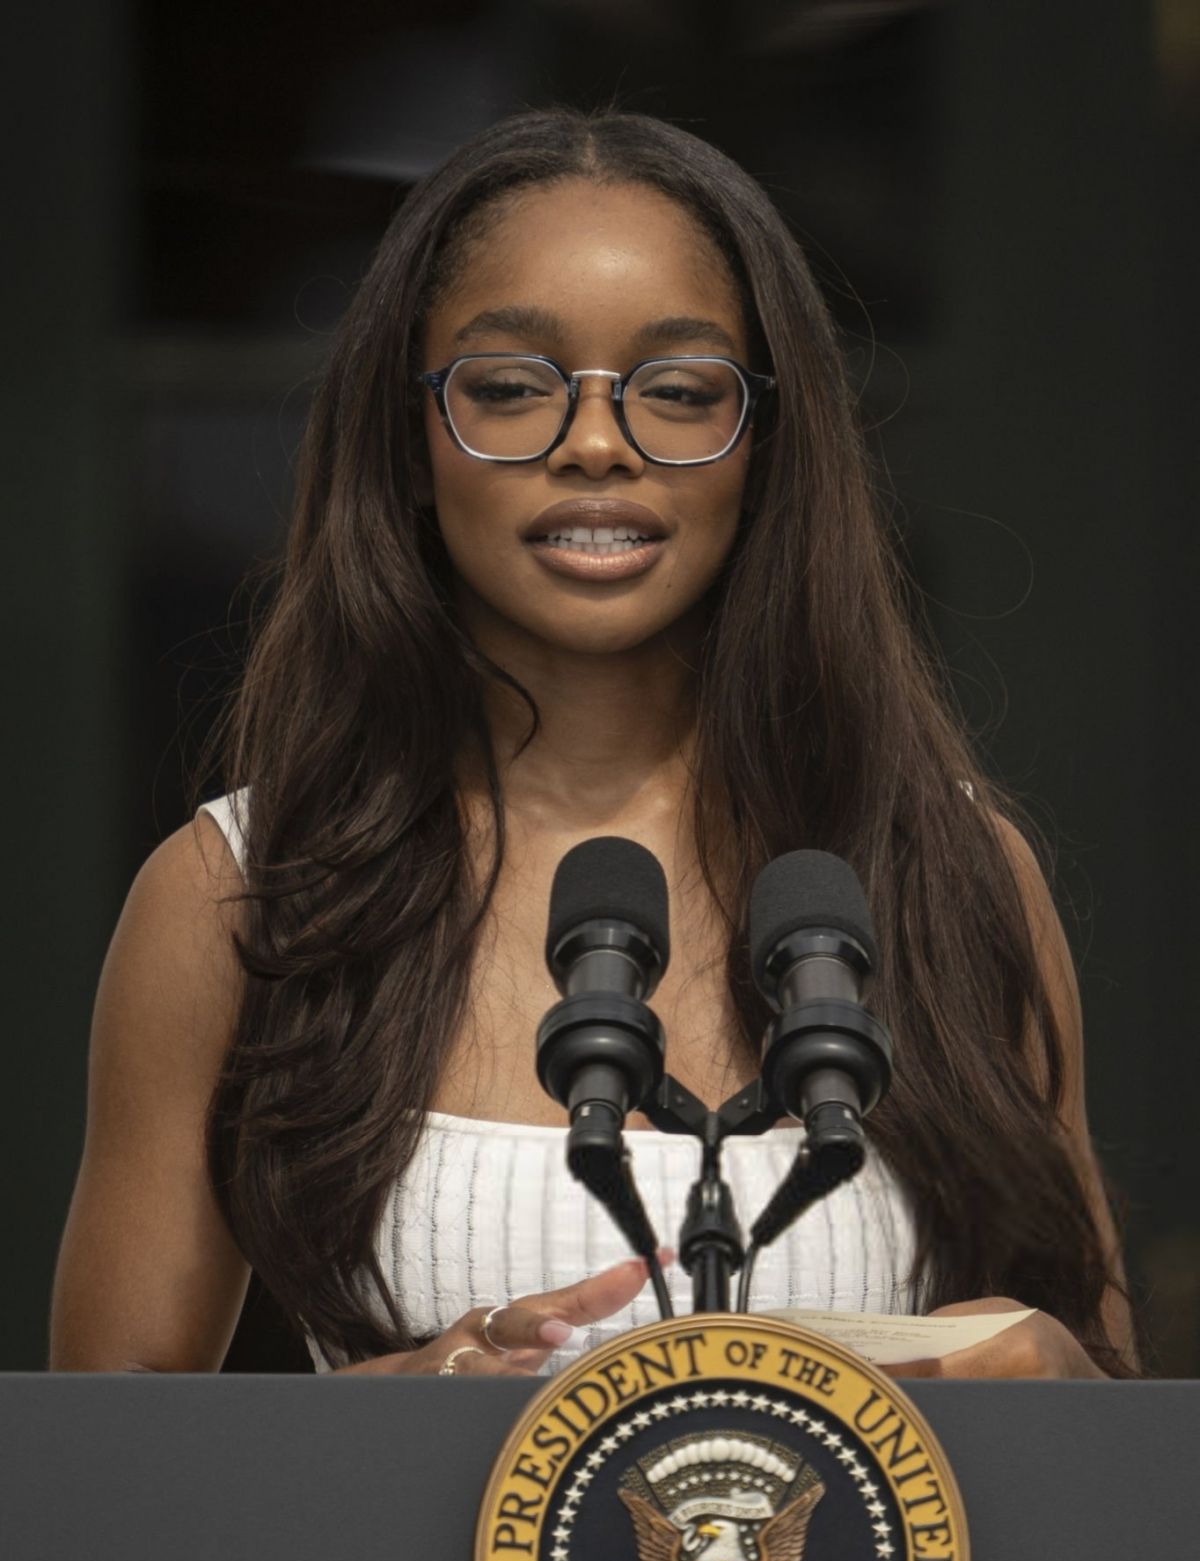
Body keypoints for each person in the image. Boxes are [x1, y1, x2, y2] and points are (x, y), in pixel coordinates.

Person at [49, 104, 1137, 1383]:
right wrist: (395, 1411)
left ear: (768, 445)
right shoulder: (237, 892)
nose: (598, 443)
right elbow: (103, 1487)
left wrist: (1045, 1366)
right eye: (510, 388)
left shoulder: (953, 870)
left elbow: (1109, 1457)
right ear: (409, 439)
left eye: (681, 392)